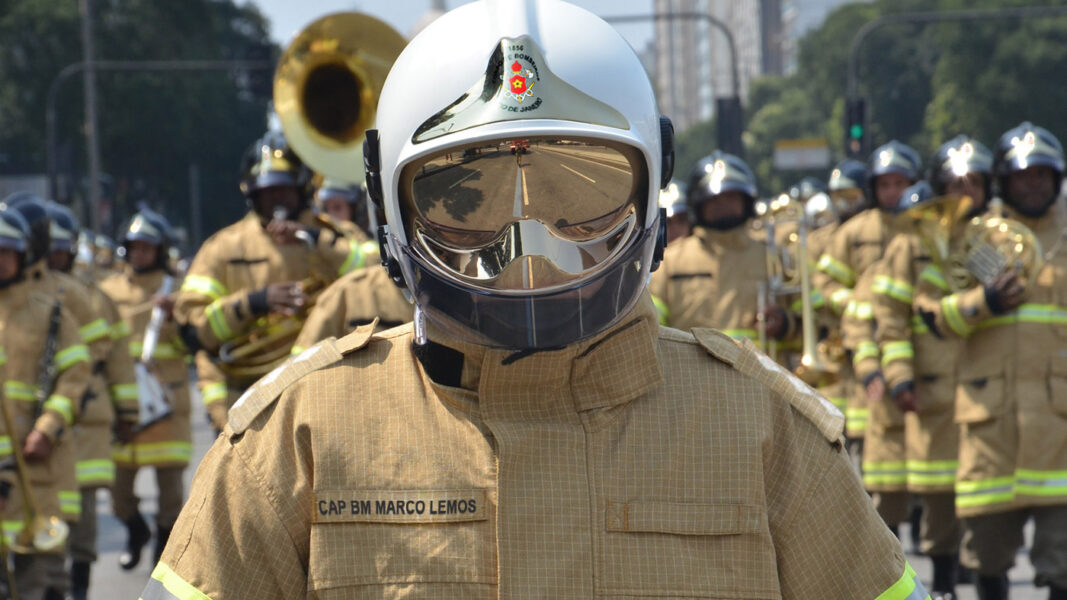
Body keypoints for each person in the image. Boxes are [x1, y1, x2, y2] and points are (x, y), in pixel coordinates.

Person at [142, 2, 926, 598]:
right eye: (466, 200)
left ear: (653, 184)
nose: (528, 250)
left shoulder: (763, 431)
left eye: (577, 192)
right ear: (391, 205)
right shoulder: (300, 436)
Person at [915, 122, 1067, 600]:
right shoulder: (977, 242)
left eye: (1043, 174)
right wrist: (983, 304)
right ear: (1004, 180)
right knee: (987, 559)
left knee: (1063, 563)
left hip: (1058, 428)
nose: (1034, 183)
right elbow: (930, 317)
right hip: (989, 426)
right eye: (1023, 175)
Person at [173, 131, 357, 430]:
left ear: (302, 189)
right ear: (252, 194)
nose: (277, 198)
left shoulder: (334, 236)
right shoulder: (223, 248)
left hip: (328, 390)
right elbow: (193, 331)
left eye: (285, 189)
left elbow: (378, 277)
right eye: (268, 190)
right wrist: (253, 302)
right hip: (247, 397)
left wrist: (316, 239)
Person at [871, 141, 991, 598]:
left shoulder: (985, 241)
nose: (965, 191)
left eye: (974, 182)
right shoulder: (909, 242)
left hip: (983, 384)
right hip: (932, 387)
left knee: (982, 499)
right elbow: (891, 317)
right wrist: (899, 376)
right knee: (939, 498)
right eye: (956, 183)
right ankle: (944, 586)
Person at [813, 140, 921, 531]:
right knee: (869, 443)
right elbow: (824, 283)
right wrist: (853, 303)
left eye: (901, 183)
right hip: (860, 350)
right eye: (886, 185)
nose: (894, 192)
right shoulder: (854, 232)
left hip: (918, 348)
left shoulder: (926, 226)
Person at [45, 201, 139, 599]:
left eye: (60, 248)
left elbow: (115, 357)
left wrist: (127, 410)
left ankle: (78, 584)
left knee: (82, 509)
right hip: (31, 419)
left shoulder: (92, 297)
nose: (54, 256)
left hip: (87, 418)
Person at [0, 203, 90, 600]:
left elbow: (76, 376)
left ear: (23, 255)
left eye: (6, 251)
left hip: (39, 469)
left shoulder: (50, 313)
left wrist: (48, 427)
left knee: (42, 582)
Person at [99, 209, 192, 573]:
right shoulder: (107, 291)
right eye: (134, 247)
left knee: (171, 496)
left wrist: (175, 318)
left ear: (161, 250)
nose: (139, 254)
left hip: (165, 405)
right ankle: (135, 530)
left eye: (147, 248)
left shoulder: (179, 292)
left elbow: (196, 343)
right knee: (118, 494)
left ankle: (161, 556)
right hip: (124, 405)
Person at [649, 151, 797, 348]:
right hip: (690, 377)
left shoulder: (775, 257)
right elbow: (651, 327)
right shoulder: (670, 262)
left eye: (731, 196)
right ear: (698, 204)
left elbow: (815, 326)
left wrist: (786, 324)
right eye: (714, 199)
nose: (723, 205)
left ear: (747, 200)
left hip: (760, 376)